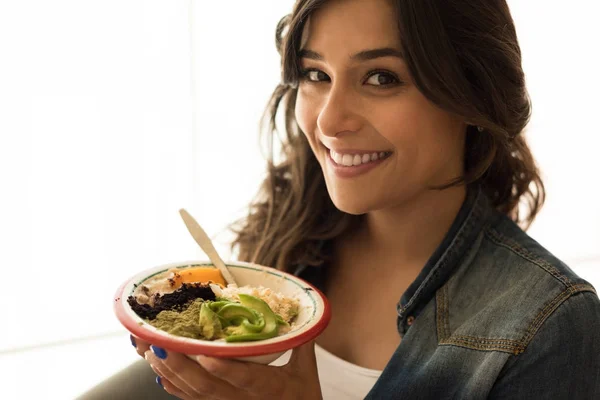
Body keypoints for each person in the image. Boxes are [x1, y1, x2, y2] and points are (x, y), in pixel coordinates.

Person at [79, 0, 600, 399]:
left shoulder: (550, 326)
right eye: (315, 75)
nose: (329, 122)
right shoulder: (290, 237)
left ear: (471, 91)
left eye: (381, 78)